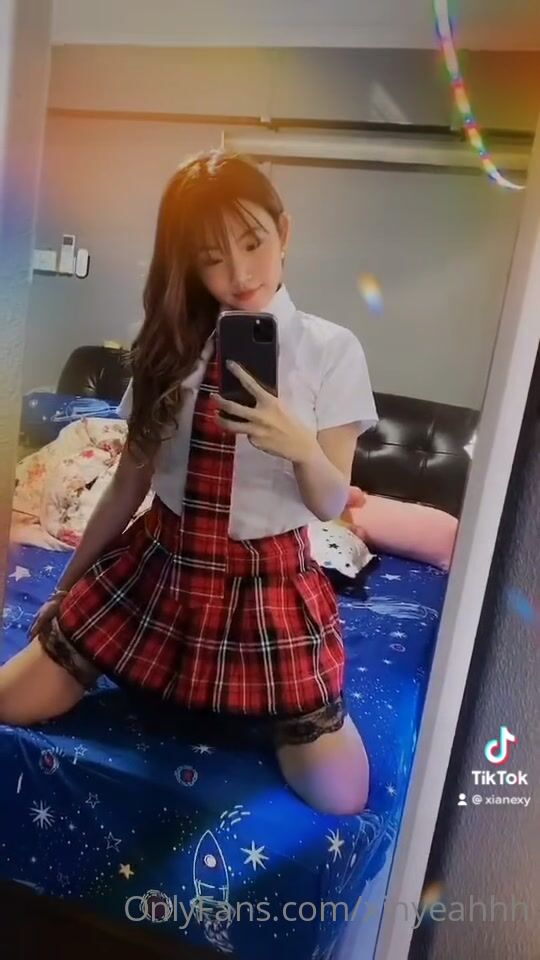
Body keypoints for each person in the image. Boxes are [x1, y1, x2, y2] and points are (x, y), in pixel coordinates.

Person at [0, 149, 378, 815]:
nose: (240, 274)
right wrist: (65, 591)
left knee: (342, 796)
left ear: (283, 234)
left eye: (253, 243)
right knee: (10, 701)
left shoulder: (331, 350)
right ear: (188, 264)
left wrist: (296, 444)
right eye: (211, 257)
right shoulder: (166, 345)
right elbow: (127, 484)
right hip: (158, 567)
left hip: (268, 589)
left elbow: (327, 501)